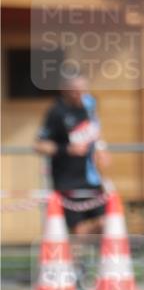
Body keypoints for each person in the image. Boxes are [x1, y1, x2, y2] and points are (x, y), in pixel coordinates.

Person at [34, 75, 110, 235]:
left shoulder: (90, 105)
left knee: (105, 223)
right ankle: (76, 255)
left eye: (83, 91)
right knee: (78, 229)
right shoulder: (56, 112)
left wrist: (102, 149)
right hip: (67, 181)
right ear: (64, 91)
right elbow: (39, 145)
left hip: (92, 178)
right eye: (75, 91)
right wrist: (66, 149)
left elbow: (96, 131)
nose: (80, 95)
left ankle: (88, 252)